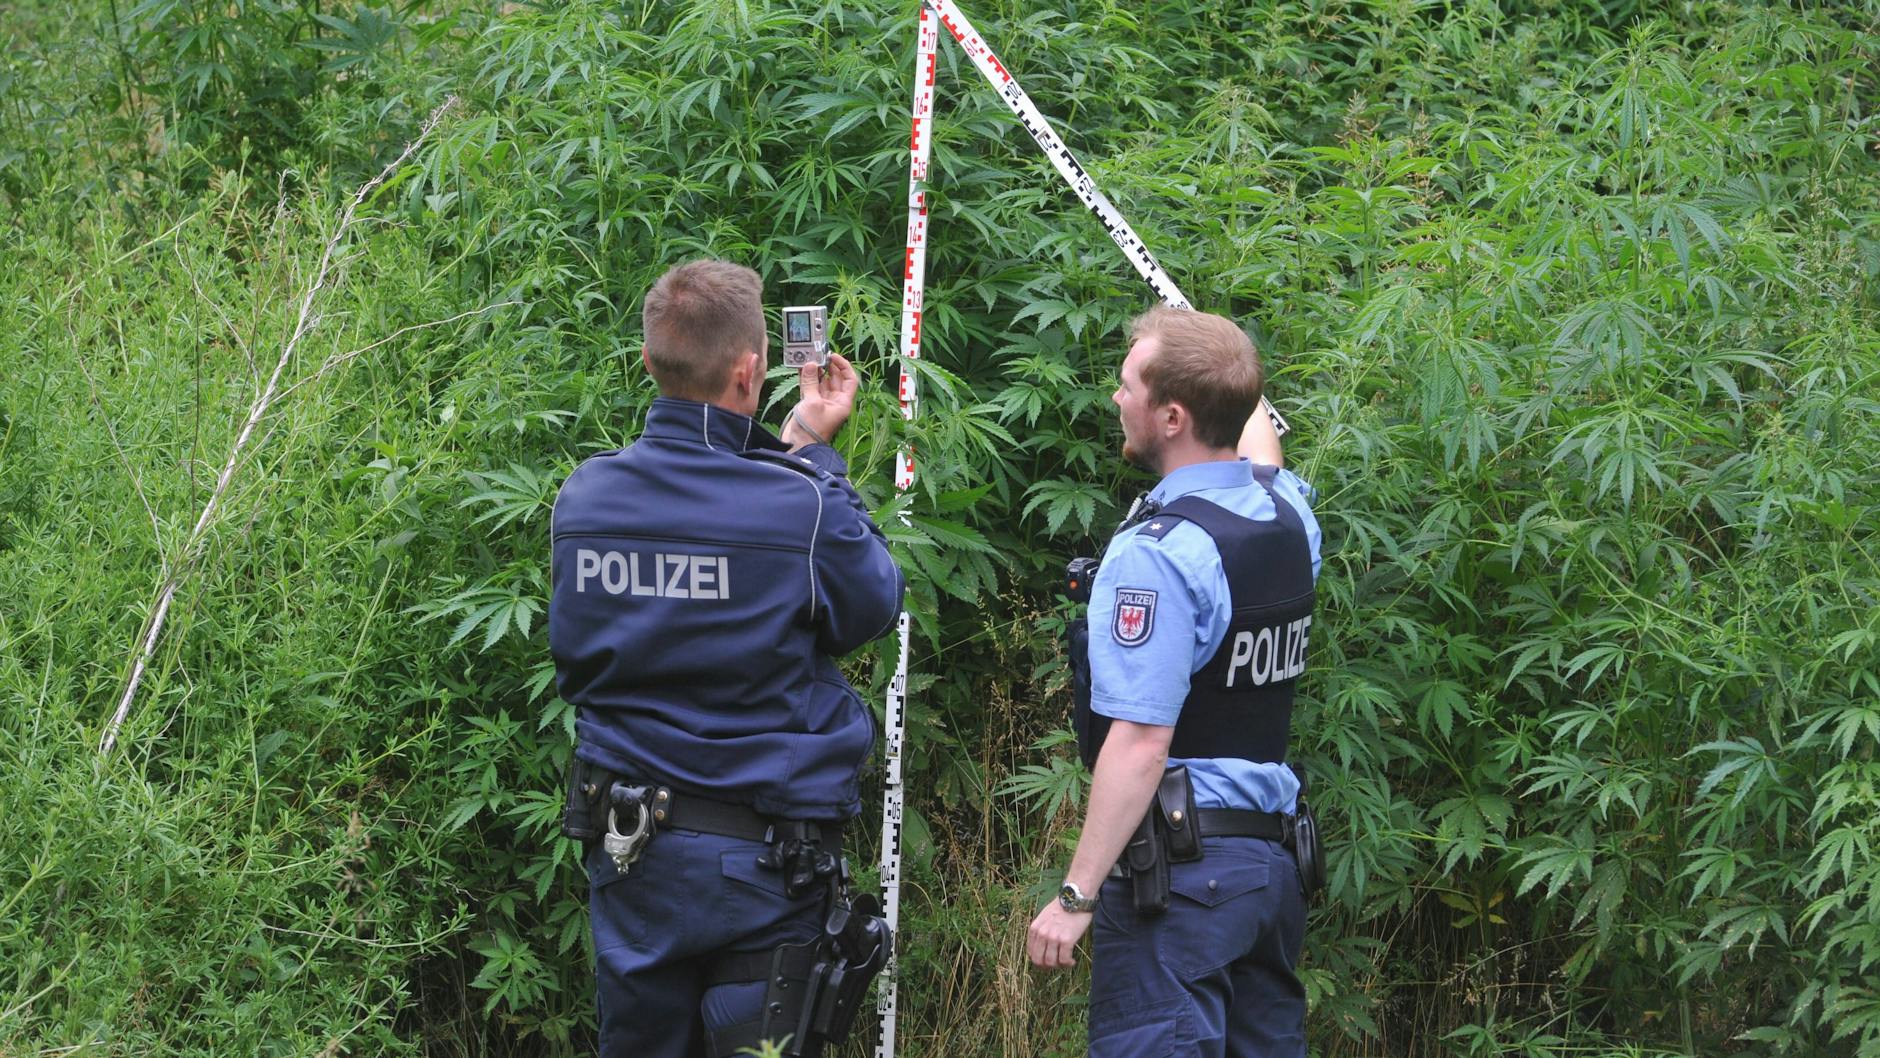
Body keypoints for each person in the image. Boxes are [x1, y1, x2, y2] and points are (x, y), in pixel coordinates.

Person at [548, 259, 904, 1058]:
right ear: (750, 372)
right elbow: (875, 604)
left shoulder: (585, 497)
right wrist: (812, 455)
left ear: (649, 361)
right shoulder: (799, 504)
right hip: (765, 864)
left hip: (632, 851)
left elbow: (575, 657)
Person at [1027, 306, 1324, 1058]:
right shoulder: (1286, 515)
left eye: (1129, 385)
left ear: (1171, 416)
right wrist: (1226, 364)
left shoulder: (1158, 554)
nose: (1115, 397)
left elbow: (1140, 742)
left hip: (1184, 885)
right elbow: (1261, 448)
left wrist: (1076, 895)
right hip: (1269, 874)